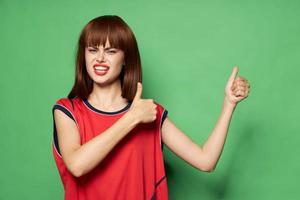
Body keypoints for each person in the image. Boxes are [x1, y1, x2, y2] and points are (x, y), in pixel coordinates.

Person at [51, 15, 250, 200]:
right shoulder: (67, 111)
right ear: (83, 56)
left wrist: (228, 104)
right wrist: (131, 118)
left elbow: (206, 161)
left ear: (126, 59)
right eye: (93, 49)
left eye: (111, 51)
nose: (100, 58)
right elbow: (77, 165)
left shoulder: (151, 113)